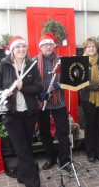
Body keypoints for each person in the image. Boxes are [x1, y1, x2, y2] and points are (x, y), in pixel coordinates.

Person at [0, 36, 42, 186]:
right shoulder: (4, 65)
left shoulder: (32, 65)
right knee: (22, 149)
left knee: (26, 147)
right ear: (12, 50)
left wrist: (23, 88)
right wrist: (2, 93)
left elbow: (38, 88)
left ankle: (21, 176)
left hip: (28, 113)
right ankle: (33, 182)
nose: (21, 49)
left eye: (23, 46)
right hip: (10, 113)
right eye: (18, 47)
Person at [34, 33, 71, 171]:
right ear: (40, 47)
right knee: (44, 132)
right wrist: (39, 94)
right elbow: (30, 82)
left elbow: (69, 78)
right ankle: (51, 157)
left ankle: (65, 160)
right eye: (45, 44)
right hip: (42, 101)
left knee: (63, 131)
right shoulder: (33, 62)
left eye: (50, 44)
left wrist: (59, 85)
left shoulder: (61, 60)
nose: (48, 47)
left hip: (58, 101)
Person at [80, 38, 99, 162]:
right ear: (85, 49)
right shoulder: (81, 63)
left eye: (93, 47)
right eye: (88, 47)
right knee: (90, 124)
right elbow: (82, 82)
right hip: (87, 99)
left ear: (96, 48)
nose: (91, 49)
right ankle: (90, 152)